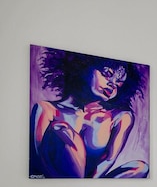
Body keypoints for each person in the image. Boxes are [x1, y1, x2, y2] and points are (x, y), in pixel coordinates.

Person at [30, 46, 149, 178]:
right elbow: (37, 159)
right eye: (107, 74)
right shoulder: (46, 109)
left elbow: (108, 160)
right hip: (54, 178)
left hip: (92, 182)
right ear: (83, 68)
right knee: (63, 130)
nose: (112, 84)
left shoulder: (120, 118)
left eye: (119, 83)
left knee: (140, 167)